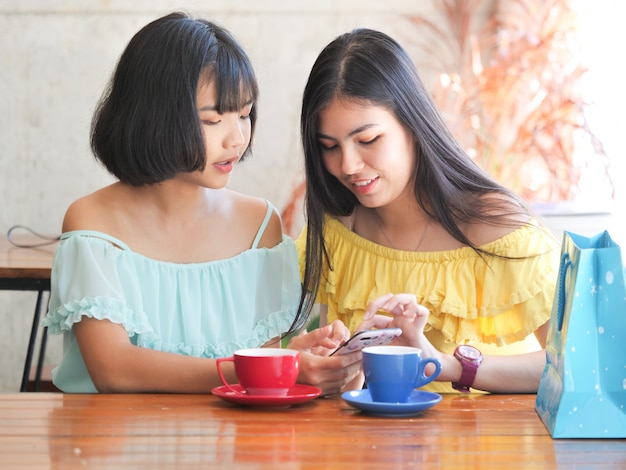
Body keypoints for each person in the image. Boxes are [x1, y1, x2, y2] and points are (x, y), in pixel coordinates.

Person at [42, 12, 361, 394]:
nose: (236, 139)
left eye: (244, 115)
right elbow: (114, 370)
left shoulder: (259, 224)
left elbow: (257, 378)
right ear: (154, 118)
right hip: (115, 443)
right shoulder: (93, 223)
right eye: (212, 121)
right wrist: (264, 368)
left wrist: (289, 359)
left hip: (228, 446)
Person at [296, 28, 560, 394]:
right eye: (329, 146)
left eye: (368, 140)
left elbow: (575, 364)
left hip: (492, 446)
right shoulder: (340, 230)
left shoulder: (497, 227)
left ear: (412, 125)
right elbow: (349, 390)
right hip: (370, 448)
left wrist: (445, 365)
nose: (348, 165)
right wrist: (339, 366)